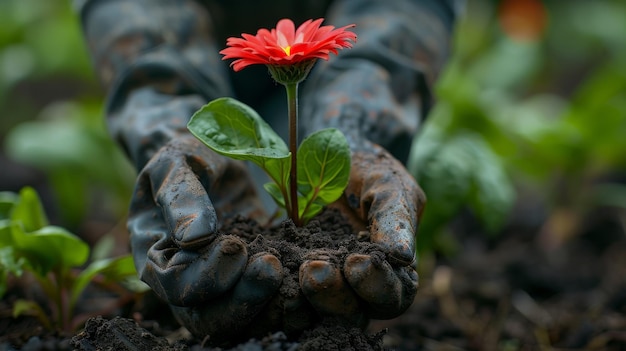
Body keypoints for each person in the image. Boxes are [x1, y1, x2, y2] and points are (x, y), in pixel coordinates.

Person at [77, 0, 458, 346]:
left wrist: (355, 127)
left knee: (271, 246)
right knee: (223, 242)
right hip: (219, 69)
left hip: (323, 77)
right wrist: (171, 129)